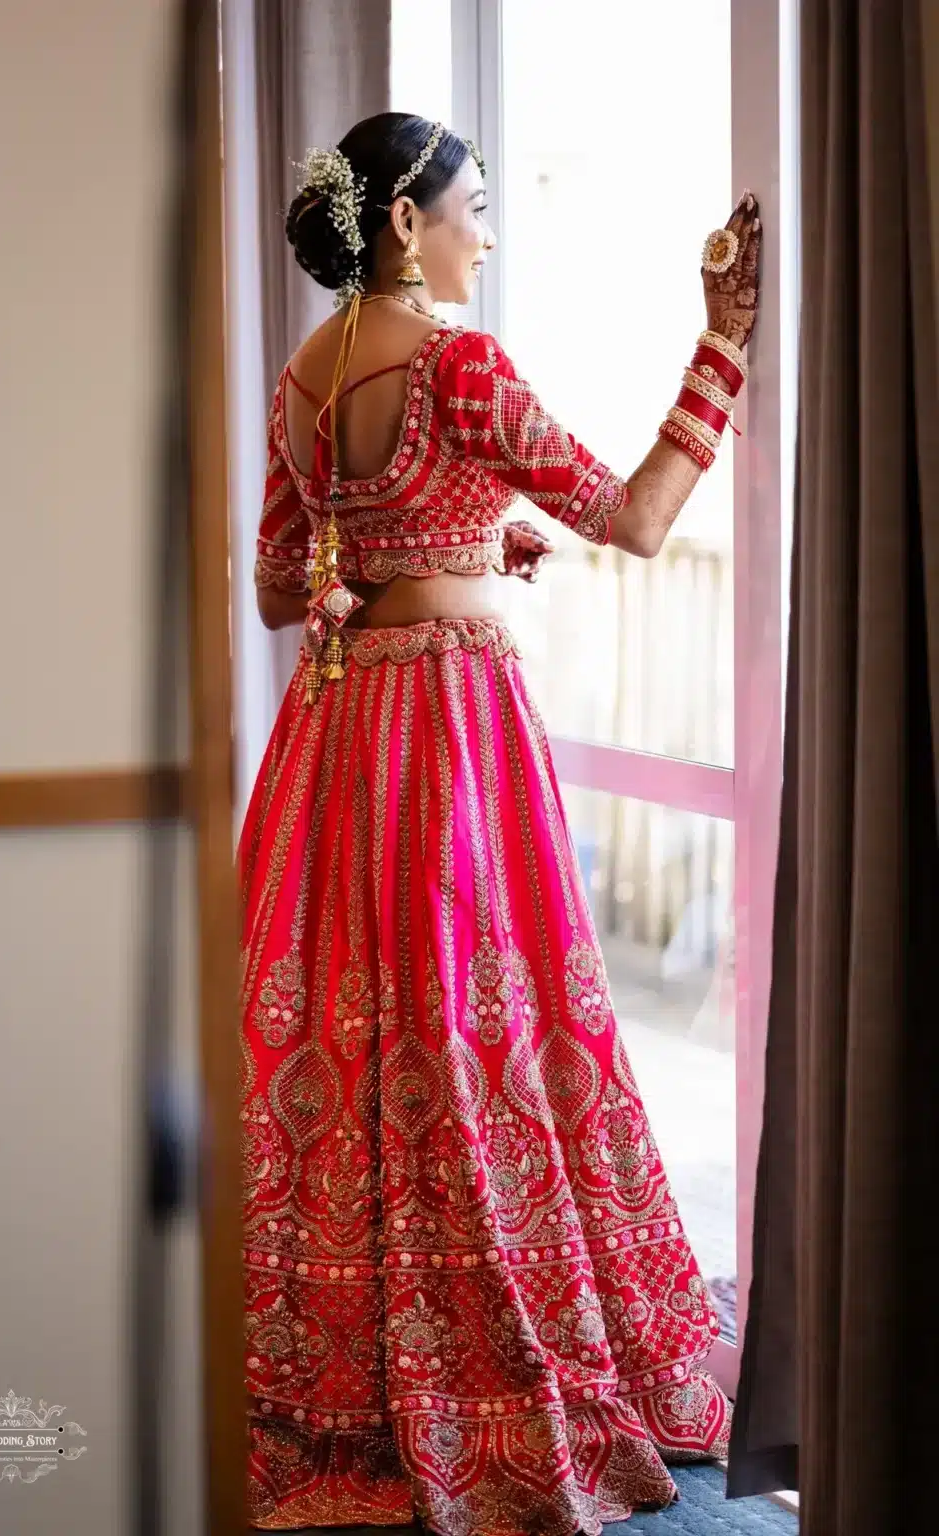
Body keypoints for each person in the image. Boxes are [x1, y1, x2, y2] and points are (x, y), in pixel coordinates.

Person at [239, 112, 760, 1536]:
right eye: (473, 206)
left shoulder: (302, 374)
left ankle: (346, 1369)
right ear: (406, 223)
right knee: (483, 1035)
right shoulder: (461, 364)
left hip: (337, 742)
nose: (488, 230)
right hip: (454, 739)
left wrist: (441, 551)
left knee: (374, 1043)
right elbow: (641, 519)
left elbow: (289, 586)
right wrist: (720, 350)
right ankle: (487, 1359)